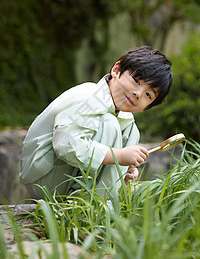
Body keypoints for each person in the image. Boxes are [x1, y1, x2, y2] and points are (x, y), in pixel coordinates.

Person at [20, 46, 173, 200]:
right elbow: (65, 144)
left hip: (66, 180)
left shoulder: (127, 123)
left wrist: (124, 171)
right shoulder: (90, 96)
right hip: (45, 178)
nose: (138, 94)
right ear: (116, 69)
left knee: (130, 132)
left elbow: (115, 162)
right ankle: (94, 207)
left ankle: (99, 205)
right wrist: (119, 156)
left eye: (148, 94)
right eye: (136, 80)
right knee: (109, 124)